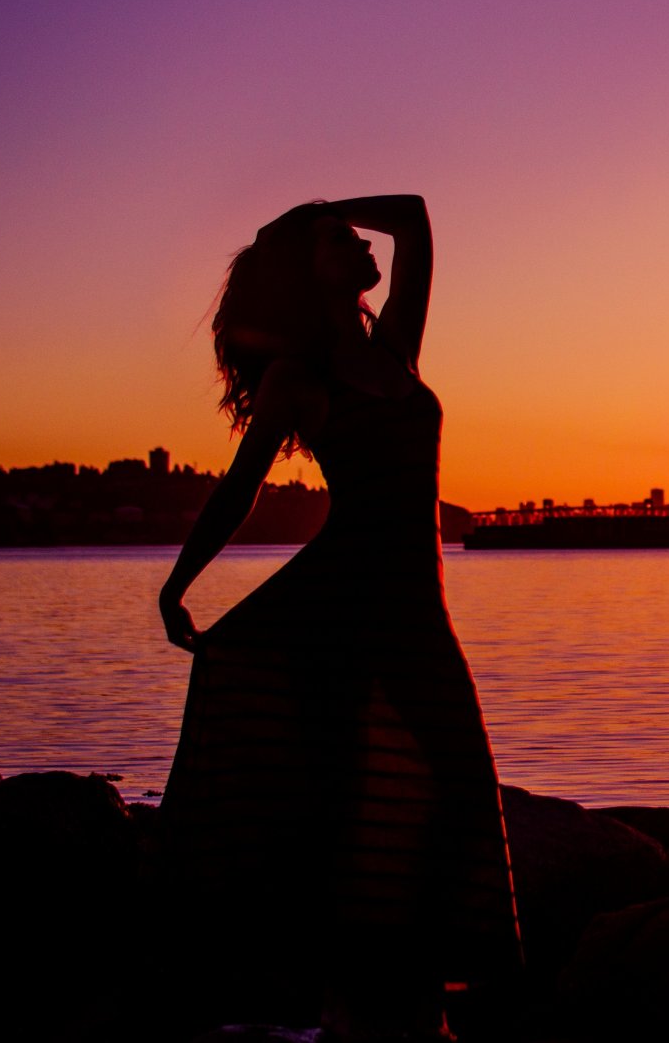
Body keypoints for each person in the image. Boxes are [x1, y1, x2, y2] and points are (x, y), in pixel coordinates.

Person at [159, 195, 519, 1040]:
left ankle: (413, 998)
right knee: (341, 796)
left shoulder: (395, 346)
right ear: (305, 270)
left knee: (458, 785)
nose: (361, 241)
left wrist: (326, 206)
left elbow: (420, 219)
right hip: (342, 603)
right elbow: (241, 489)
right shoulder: (301, 378)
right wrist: (177, 586)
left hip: (417, 610)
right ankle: (351, 1004)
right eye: (337, 240)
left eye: (354, 234)